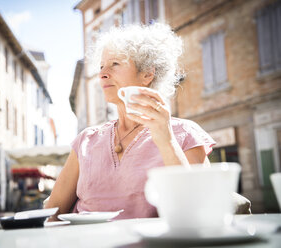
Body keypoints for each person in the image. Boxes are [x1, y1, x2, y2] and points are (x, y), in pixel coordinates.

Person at [45, 23, 216, 220]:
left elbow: (200, 209)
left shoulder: (185, 134)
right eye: (101, 67)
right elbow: (52, 214)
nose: (102, 74)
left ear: (147, 74)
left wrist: (166, 140)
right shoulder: (86, 140)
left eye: (115, 64)